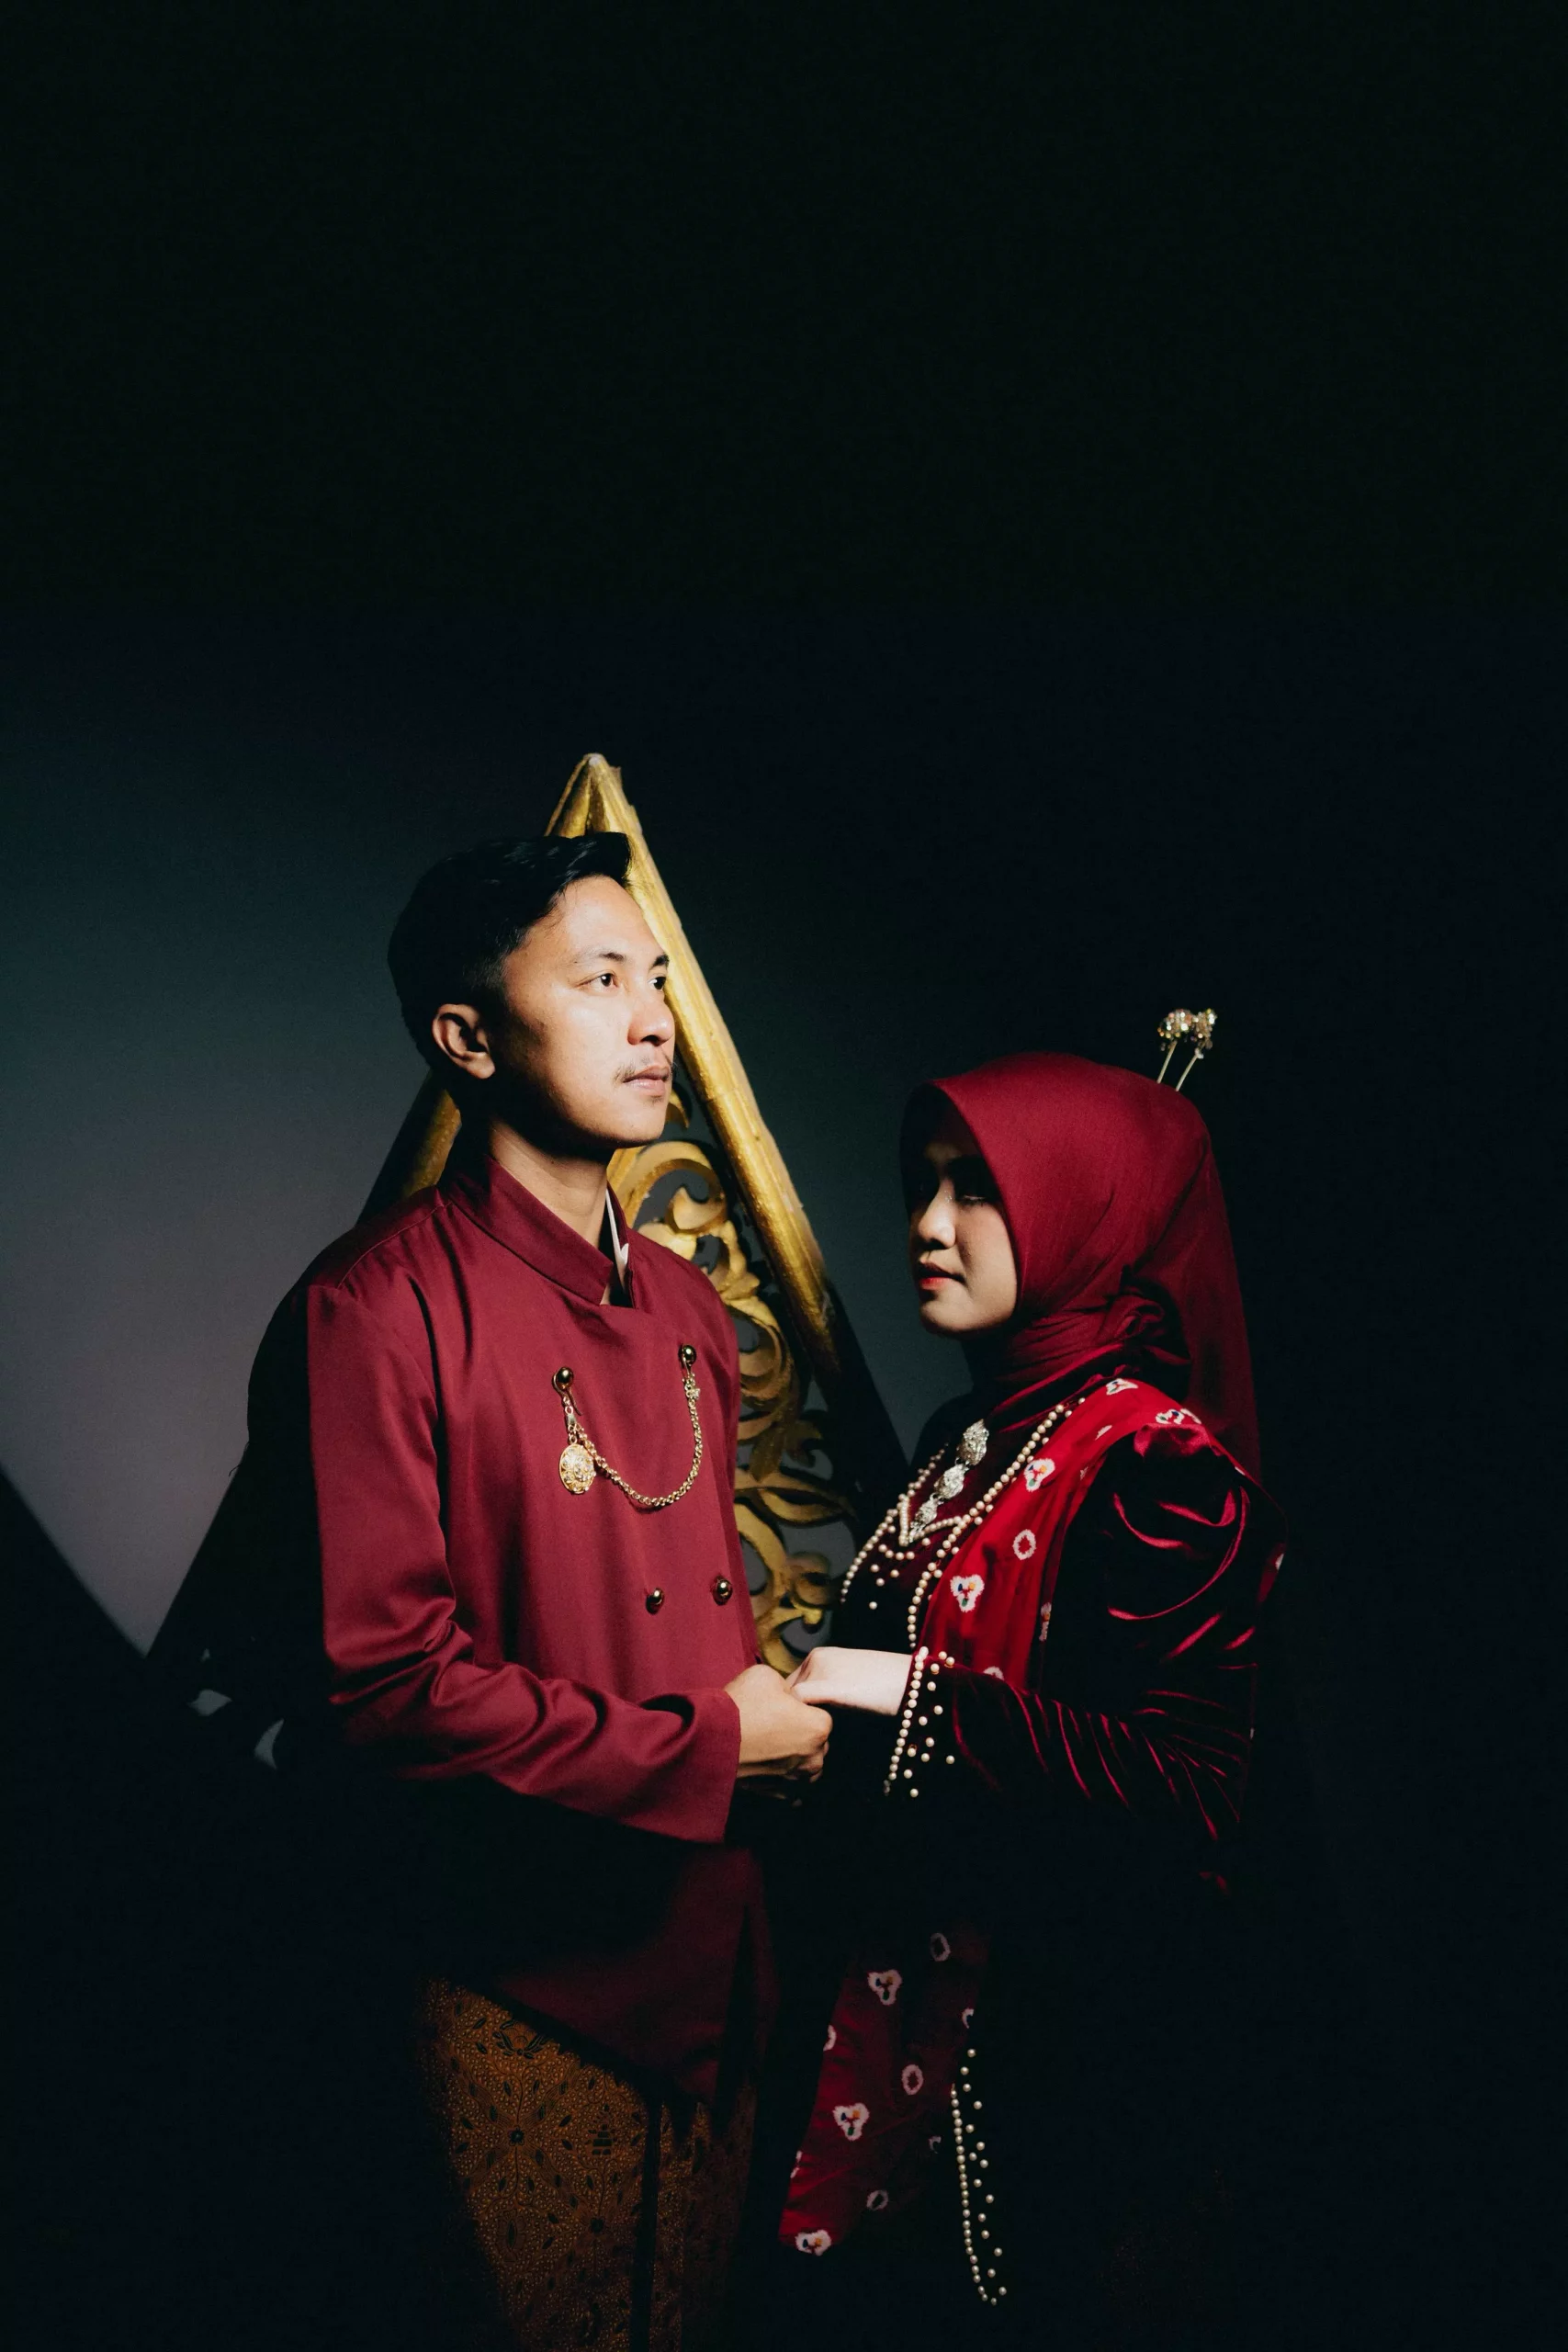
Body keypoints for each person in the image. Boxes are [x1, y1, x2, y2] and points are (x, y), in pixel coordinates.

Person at [164, 831, 830, 2352]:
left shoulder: (686, 1306)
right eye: (598, 982)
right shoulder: (371, 1309)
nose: (652, 1019)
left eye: (653, 979)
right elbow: (387, 1690)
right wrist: (717, 1746)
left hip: (719, 1957)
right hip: (512, 1986)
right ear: (466, 1037)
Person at [773, 1051, 1285, 2349]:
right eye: (922, 1184)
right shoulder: (968, 1433)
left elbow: (1190, 1788)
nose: (927, 1225)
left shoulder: (1157, 1463)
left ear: (1078, 1213)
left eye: (978, 1190)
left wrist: (907, 1695)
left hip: (1063, 2048)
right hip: (890, 2009)